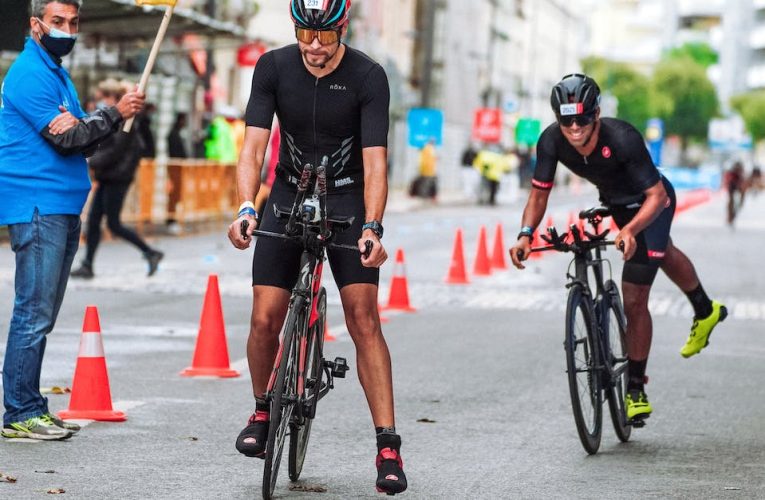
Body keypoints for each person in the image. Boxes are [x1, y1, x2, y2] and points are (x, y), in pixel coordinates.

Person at [226, 1, 406, 494]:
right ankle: (263, 410)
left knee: (363, 315)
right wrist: (245, 207)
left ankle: (387, 446)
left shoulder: (369, 76)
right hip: (288, 191)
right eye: (305, 33)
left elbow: (375, 163)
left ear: (341, 29)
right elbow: (253, 148)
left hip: (347, 195)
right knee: (264, 317)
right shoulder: (273, 66)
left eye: (325, 37)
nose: (313, 47)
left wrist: (373, 226)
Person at [509, 74, 727, 425]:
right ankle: (706, 308)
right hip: (615, 202)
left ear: (596, 115)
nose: (575, 127)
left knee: (635, 295)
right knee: (661, 252)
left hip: (651, 202)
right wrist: (525, 234)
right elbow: (539, 194)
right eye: (567, 120)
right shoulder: (551, 140)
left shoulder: (622, 137)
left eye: (582, 118)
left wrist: (629, 229)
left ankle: (636, 390)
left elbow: (657, 196)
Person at [0, 0, 145, 440]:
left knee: (42, 313)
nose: (67, 29)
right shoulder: (28, 74)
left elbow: (80, 138)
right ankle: (20, 412)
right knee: (33, 313)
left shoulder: (56, 75)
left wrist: (88, 125)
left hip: (61, 206)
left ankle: (30, 406)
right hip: (38, 206)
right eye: (58, 21)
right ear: (35, 25)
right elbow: (70, 139)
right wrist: (114, 113)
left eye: (73, 22)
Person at [70, 80, 163, 279]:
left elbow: (115, 150)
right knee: (94, 221)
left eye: (103, 97)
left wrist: (92, 162)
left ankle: (150, 251)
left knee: (113, 223)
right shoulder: (119, 119)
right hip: (109, 175)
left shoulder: (127, 121)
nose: (101, 102)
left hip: (117, 177)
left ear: (113, 98)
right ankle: (88, 264)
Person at [166, 112, 188, 233]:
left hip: (178, 168)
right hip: (175, 169)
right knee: (173, 194)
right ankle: (170, 219)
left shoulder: (176, 133)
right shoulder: (173, 134)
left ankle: (172, 218)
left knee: (176, 195)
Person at [723, 161, 746, 227]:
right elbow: (727, 182)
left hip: (738, 186)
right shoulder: (731, 173)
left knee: (742, 194)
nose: (738, 170)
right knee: (731, 199)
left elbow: (744, 183)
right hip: (732, 186)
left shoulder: (742, 173)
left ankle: (738, 207)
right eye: (737, 169)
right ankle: (729, 215)